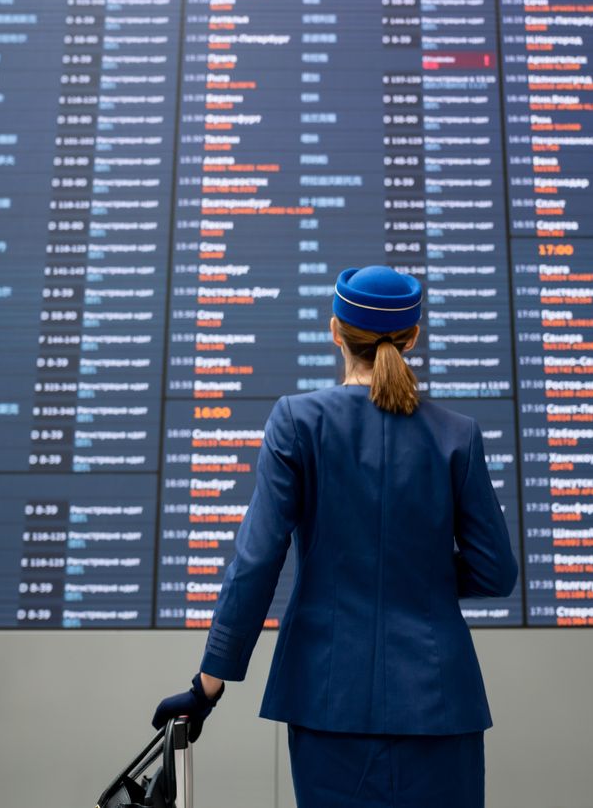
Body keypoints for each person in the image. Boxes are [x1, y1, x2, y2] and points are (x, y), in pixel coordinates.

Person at [152, 265, 518, 807]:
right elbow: (496, 572)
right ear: (413, 337)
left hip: (327, 700)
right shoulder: (457, 433)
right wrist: (421, 573)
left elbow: (256, 564)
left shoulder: (296, 421)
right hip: (441, 701)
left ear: (335, 331)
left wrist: (207, 687)